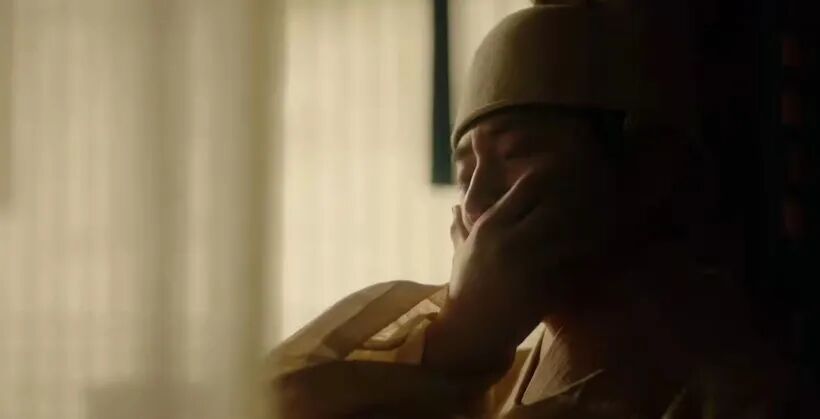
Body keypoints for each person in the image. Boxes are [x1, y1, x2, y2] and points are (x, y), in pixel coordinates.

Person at [269, 1, 808, 418]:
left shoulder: (727, 396)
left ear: (650, 169)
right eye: (465, 174)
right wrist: (460, 343)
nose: (477, 202)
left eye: (517, 153)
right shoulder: (486, 378)